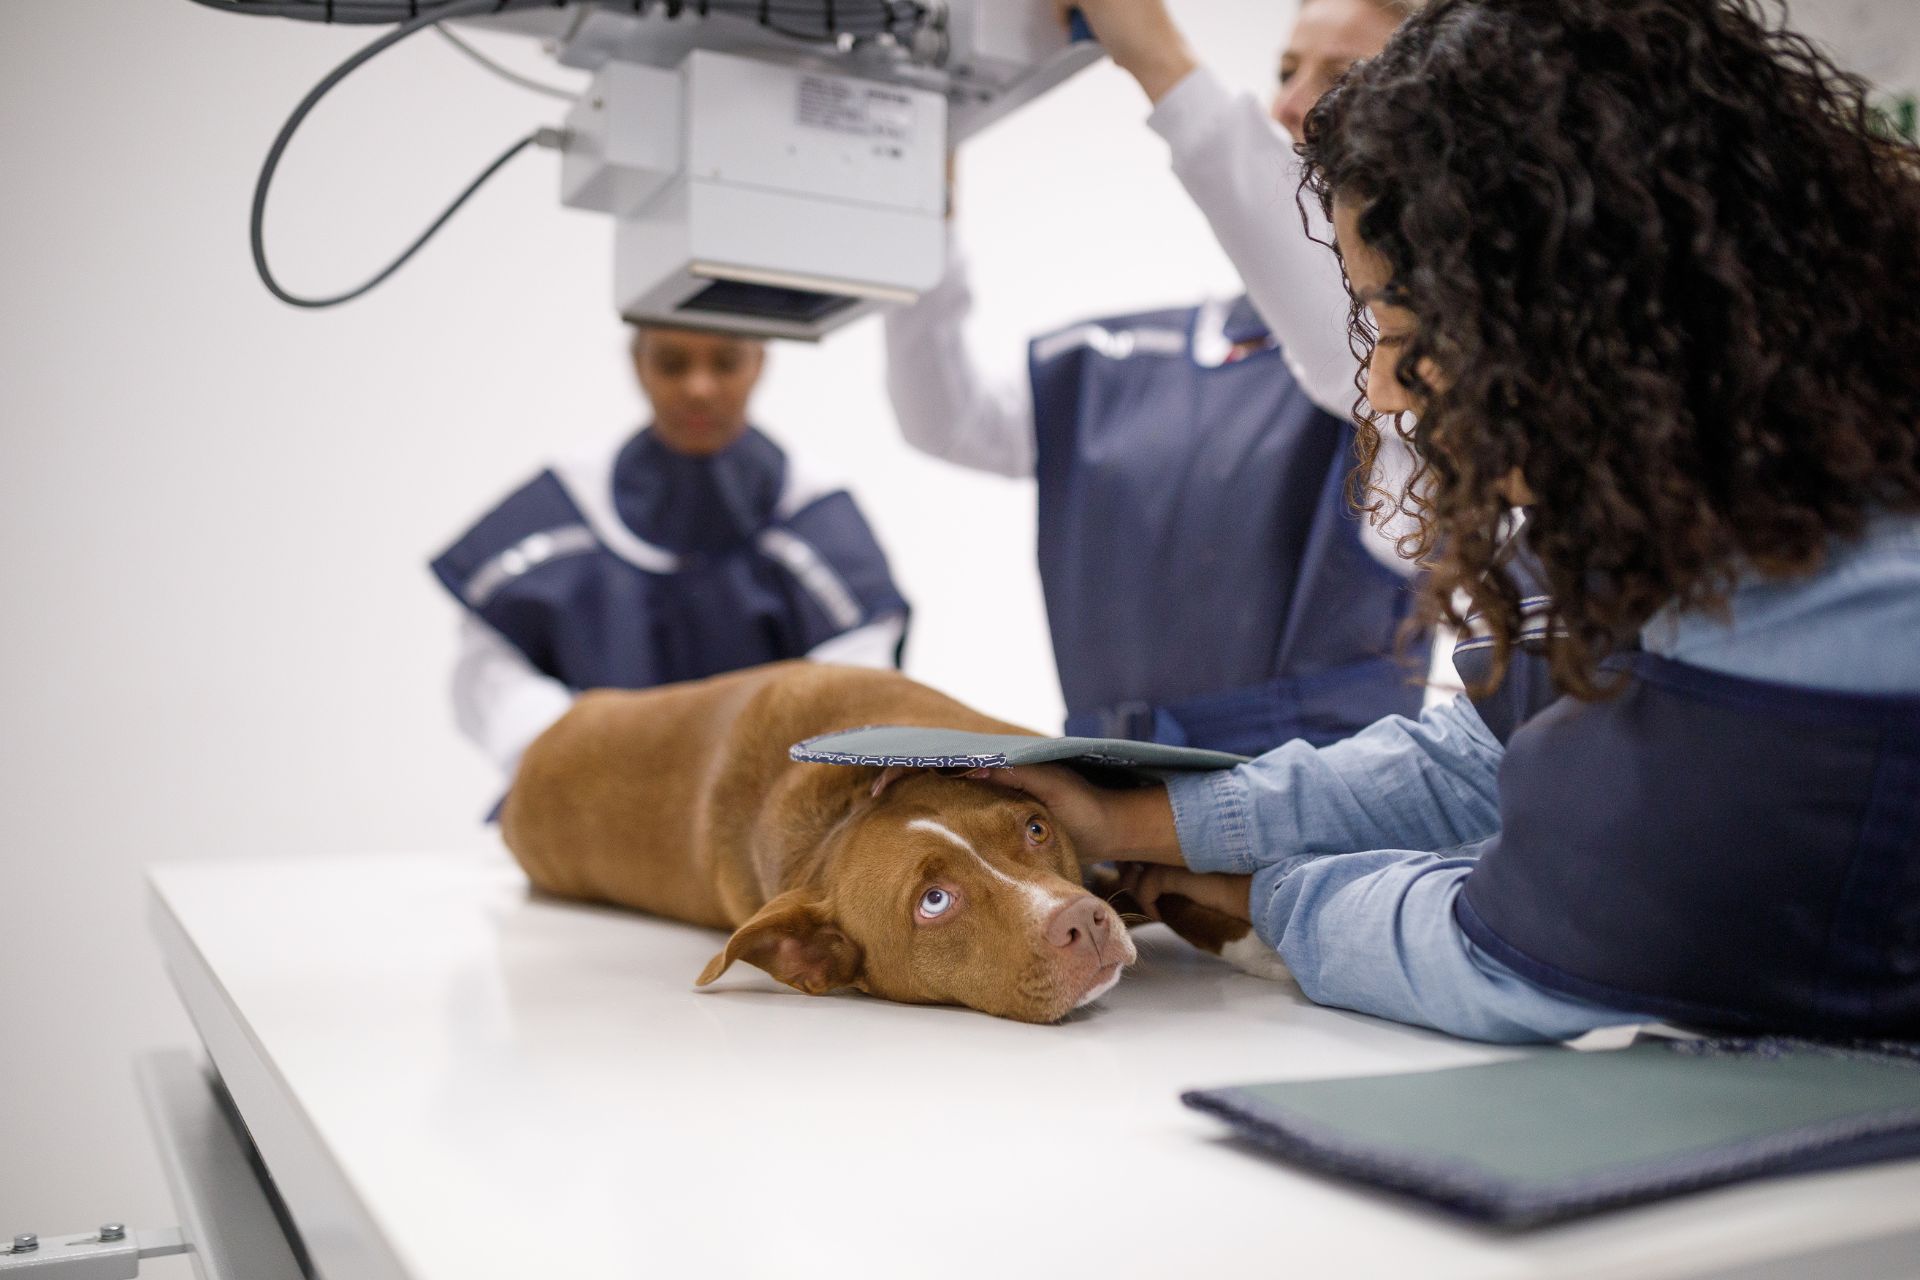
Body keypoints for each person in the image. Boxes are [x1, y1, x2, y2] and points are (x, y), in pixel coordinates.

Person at [970, 0, 1920, 1044]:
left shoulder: (1843, 615)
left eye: (1401, 331)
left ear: (1579, 317)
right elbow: (1478, 755)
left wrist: (1271, 900)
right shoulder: (1655, 498)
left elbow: (1521, 954)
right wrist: (1143, 819)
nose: (1377, 388)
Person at [884, 0, 1431, 757]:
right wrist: (912, 200)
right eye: (1285, 72)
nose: (1291, 105)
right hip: (1115, 798)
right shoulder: (1126, 353)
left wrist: (1160, 61)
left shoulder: (1421, 374)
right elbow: (946, 420)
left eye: (1343, 79)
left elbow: (1352, 328)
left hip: (1322, 823)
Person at [432, 326, 909, 776]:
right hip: (589, 807)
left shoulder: (811, 513)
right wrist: (572, 751)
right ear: (637, 362)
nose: (699, 387)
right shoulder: (567, 504)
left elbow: (860, 682)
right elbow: (487, 668)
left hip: (762, 813)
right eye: (672, 363)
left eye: (725, 362)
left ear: (760, 361)